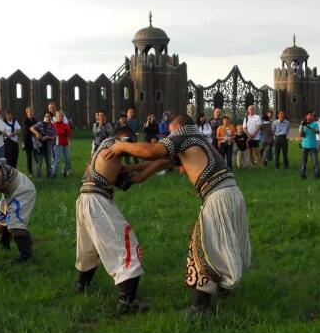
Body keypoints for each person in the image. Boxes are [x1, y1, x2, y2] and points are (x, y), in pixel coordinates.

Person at [105, 115, 251, 315]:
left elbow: (152, 151)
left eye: (171, 130)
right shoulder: (194, 140)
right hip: (230, 193)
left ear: (179, 126)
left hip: (219, 196)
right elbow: (162, 162)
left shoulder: (185, 133)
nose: (169, 135)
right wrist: (132, 171)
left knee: (202, 248)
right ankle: (224, 289)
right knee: (222, 244)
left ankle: (201, 307)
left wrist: (121, 147)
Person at [75, 126, 169, 313]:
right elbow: (147, 154)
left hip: (85, 198)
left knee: (89, 248)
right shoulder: (117, 144)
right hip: (97, 201)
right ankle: (126, 303)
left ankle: (81, 286)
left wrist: (156, 164)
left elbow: (128, 182)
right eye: (132, 142)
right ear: (126, 138)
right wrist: (160, 158)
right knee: (126, 248)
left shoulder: (103, 152)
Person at [30, 111, 56, 178]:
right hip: (40, 147)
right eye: (46, 116)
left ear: (51, 118)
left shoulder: (53, 127)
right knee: (39, 163)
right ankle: (39, 177)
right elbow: (31, 128)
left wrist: (47, 137)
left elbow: (54, 137)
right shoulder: (40, 124)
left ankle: (49, 177)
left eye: (49, 117)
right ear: (44, 117)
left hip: (48, 147)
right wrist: (37, 133)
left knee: (49, 163)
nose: (47, 118)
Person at [299, 112, 320, 179]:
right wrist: (302, 126)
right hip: (304, 146)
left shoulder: (315, 124)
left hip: (313, 146)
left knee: (315, 163)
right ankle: (303, 176)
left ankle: (317, 176)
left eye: (312, 115)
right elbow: (300, 135)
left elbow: (317, 132)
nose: (311, 116)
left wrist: (309, 127)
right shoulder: (302, 124)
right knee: (303, 163)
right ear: (306, 116)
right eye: (310, 115)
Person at [52, 110, 72, 177]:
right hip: (58, 143)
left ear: (63, 117)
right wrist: (64, 132)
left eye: (61, 116)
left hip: (66, 143)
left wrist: (64, 133)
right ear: (56, 117)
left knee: (67, 158)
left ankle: (65, 172)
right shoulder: (54, 124)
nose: (60, 117)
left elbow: (69, 132)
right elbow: (57, 132)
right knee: (57, 158)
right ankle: (53, 173)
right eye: (59, 116)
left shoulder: (66, 125)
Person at [23, 107, 38, 177]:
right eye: (29, 112)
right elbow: (29, 129)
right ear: (27, 113)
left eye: (32, 112)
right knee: (29, 157)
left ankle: (38, 170)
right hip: (28, 141)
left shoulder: (35, 120)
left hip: (35, 141)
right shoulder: (25, 121)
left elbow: (37, 128)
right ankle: (30, 172)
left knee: (36, 156)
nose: (31, 113)